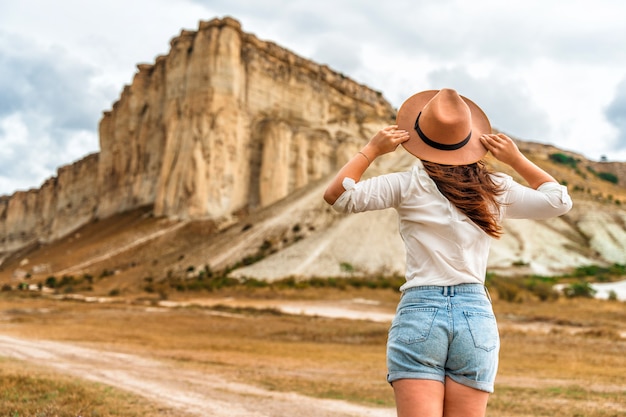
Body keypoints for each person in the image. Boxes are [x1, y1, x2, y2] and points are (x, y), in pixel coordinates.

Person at [323, 88, 573, 417]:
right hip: (475, 315)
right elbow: (559, 201)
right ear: (469, 139)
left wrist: (371, 150)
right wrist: (515, 159)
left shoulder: (406, 184)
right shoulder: (494, 187)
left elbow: (338, 196)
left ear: (419, 139)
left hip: (420, 310)